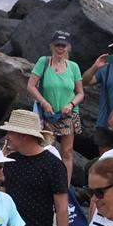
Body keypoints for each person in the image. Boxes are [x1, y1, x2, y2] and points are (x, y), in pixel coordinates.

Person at [28, 32, 84, 160]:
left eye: (63, 45)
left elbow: (80, 93)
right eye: (58, 45)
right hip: (48, 113)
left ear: (68, 47)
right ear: (52, 46)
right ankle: (48, 179)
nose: (60, 48)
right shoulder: (44, 61)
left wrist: (71, 105)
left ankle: (66, 181)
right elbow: (30, 86)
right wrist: (44, 102)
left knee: (67, 152)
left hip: (68, 114)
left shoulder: (74, 67)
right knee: (47, 150)